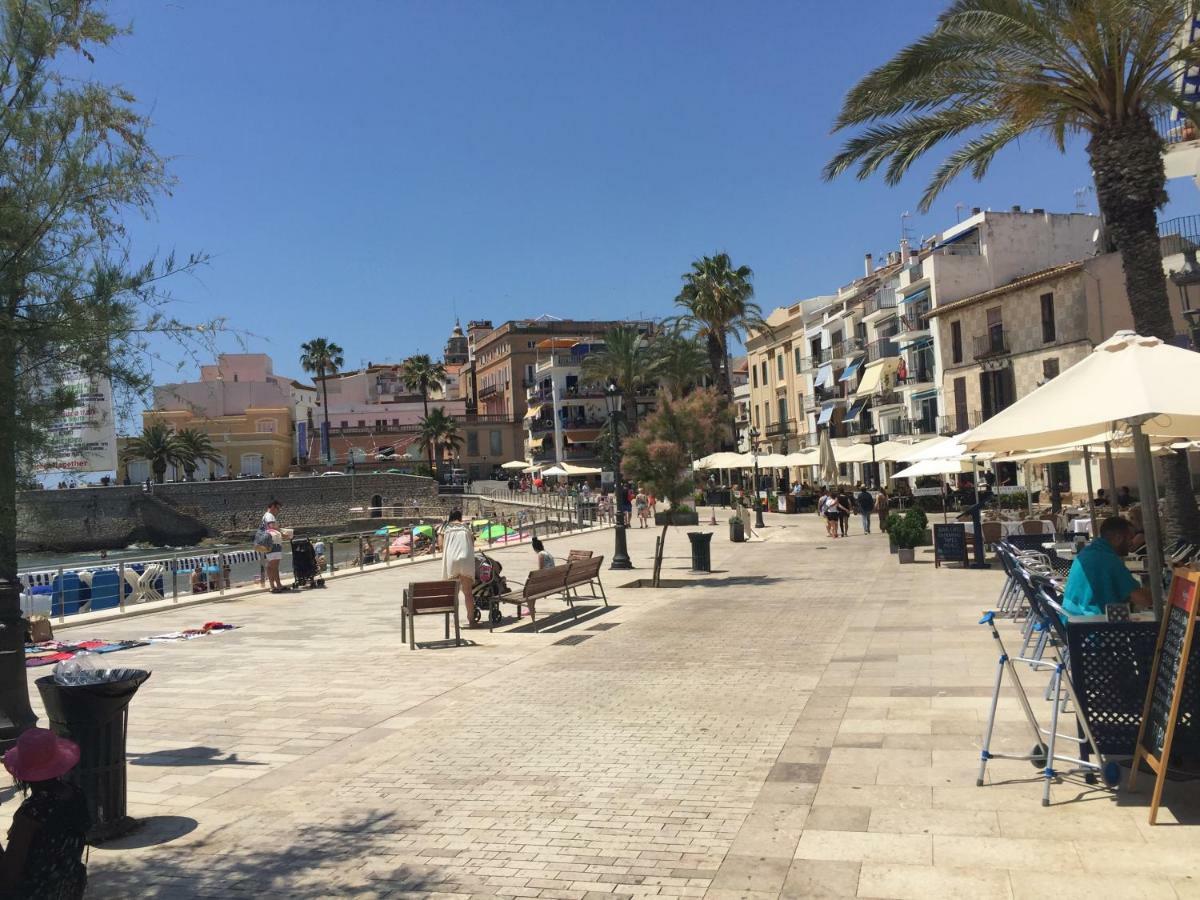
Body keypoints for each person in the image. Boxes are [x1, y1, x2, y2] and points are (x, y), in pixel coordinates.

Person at [0, 727, 90, 898]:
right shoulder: (75, 793)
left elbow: (9, 876)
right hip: (68, 887)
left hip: (39, 892)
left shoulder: (31, 813)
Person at [1061, 516, 1151, 617]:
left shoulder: (1086, 552)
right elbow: (1144, 600)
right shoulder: (1109, 561)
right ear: (1118, 538)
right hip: (1091, 625)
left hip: (1072, 619)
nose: (1131, 543)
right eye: (1130, 538)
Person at [440, 509, 477, 625]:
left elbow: (440, 546)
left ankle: (455, 621)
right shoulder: (466, 527)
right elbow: (472, 543)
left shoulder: (445, 528)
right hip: (465, 559)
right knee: (468, 593)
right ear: (460, 517)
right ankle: (471, 620)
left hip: (452, 560)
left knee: (453, 593)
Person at [257, 500, 286, 593]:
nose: (278, 511)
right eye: (278, 508)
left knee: (274, 565)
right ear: (273, 506)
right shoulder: (269, 516)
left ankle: (278, 585)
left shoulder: (266, 516)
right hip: (272, 542)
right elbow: (272, 527)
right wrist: (283, 533)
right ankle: (273, 587)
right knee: (272, 565)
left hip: (270, 542)